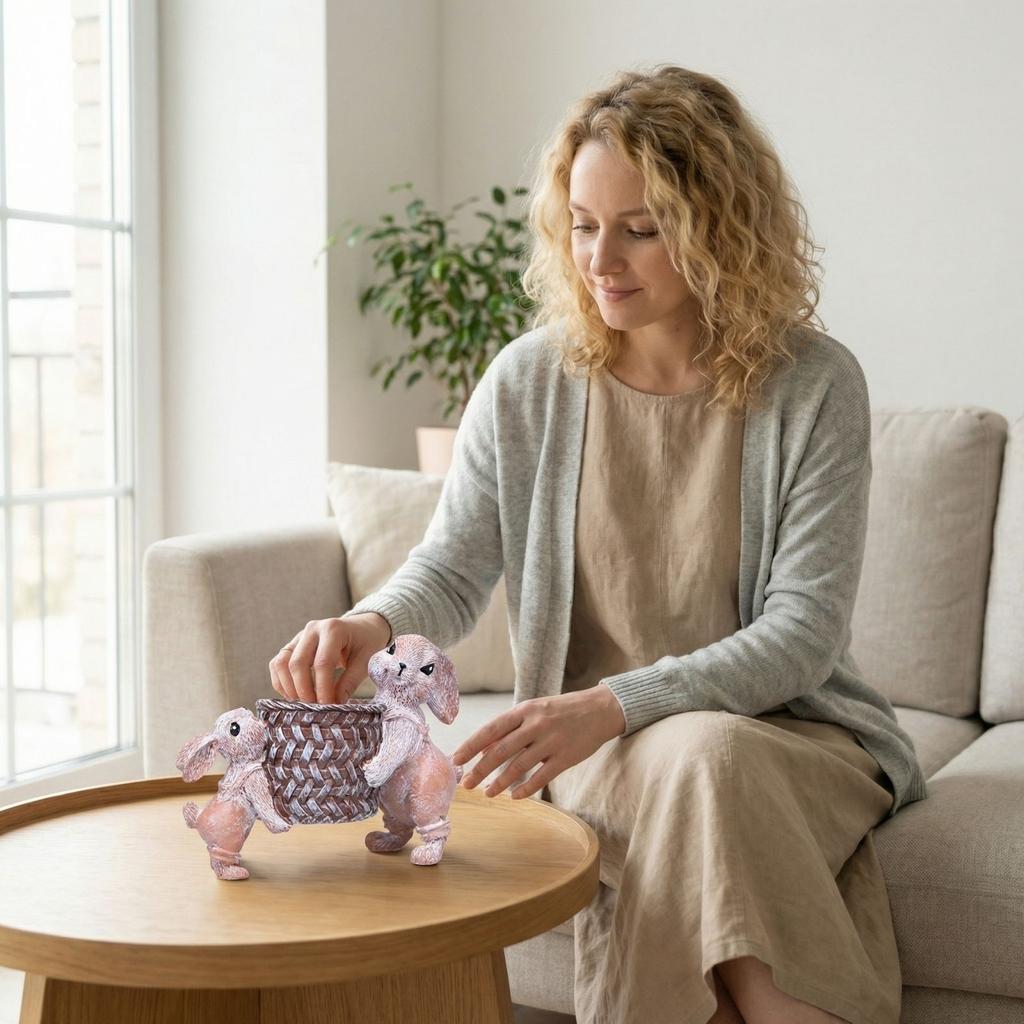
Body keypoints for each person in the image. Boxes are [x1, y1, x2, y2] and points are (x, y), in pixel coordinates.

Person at [269, 64, 927, 1024]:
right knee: (690, 767)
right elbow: (455, 564)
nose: (600, 259)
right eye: (582, 223)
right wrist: (372, 623)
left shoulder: (814, 385)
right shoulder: (529, 381)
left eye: (641, 228)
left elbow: (803, 634)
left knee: (700, 758)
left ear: (718, 228)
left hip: (788, 733)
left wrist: (615, 705)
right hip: (596, 748)